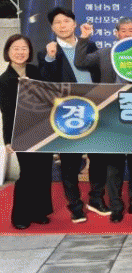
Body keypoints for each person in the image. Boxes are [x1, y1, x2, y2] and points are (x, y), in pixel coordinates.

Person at [74, 17, 132, 222]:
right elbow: (80, 62)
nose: (127, 34)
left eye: (131, 30)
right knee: (114, 164)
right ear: (116, 33)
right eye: (123, 30)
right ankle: (116, 206)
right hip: (110, 115)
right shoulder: (104, 53)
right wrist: (84, 39)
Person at [37, 7, 108, 223]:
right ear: (52, 27)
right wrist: (50, 58)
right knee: (69, 163)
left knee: (99, 158)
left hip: (93, 110)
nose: (62, 25)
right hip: (67, 114)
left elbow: (100, 75)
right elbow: (46, 83)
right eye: (57, 22)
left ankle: (96, 199)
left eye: (66, 21)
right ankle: (75, 205)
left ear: (74, 24)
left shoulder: (90, 46)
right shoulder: (47, 52)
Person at [0, 35, 54, 230]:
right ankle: (20, 216)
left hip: (43, 129)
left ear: (29, 51)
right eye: (15, 48)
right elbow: (7, 113)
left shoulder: (35, 71)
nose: (20, 52)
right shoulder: (4, 80)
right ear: (8, 52)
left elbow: (50, 93)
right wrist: (8, 140)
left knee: (43, 172)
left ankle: (39, 212)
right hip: (22, 133)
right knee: (28, 174)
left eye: (24, 48)